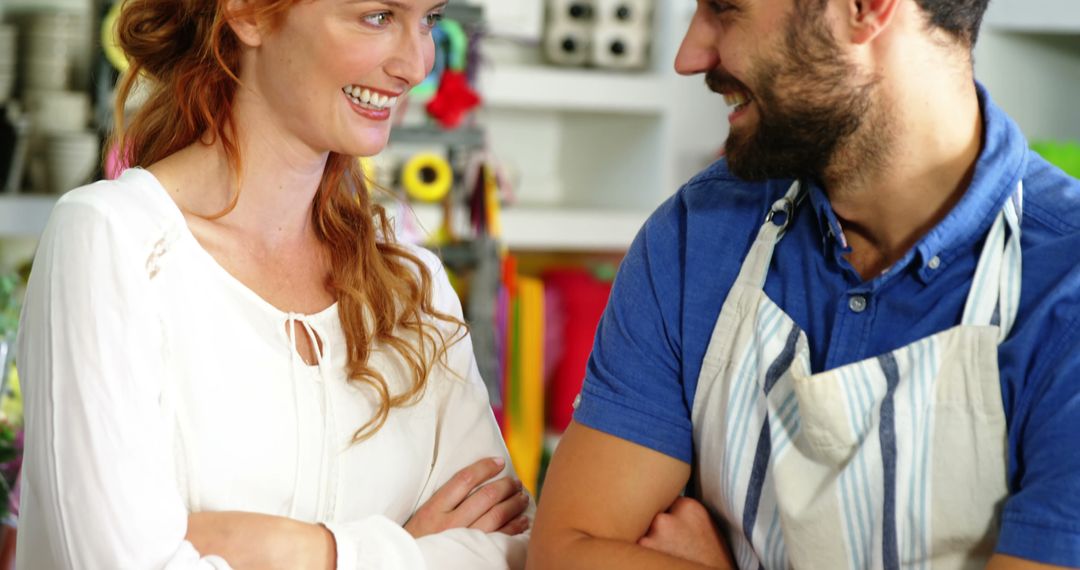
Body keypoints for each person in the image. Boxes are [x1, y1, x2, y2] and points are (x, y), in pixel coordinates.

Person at [529, 0, 1080, 568]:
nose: (689, 56)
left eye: (725, 9)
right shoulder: (698, 233)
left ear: (866, 9)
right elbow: (567, 553)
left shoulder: (1066, 286)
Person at [15, 0, 531, 568]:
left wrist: (298, 549)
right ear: (249, 13)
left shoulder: (413, 286)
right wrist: (408, 549)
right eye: (379, 16)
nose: (416, 64)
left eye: (429, 19)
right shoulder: (113, 241)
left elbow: (509, 547)